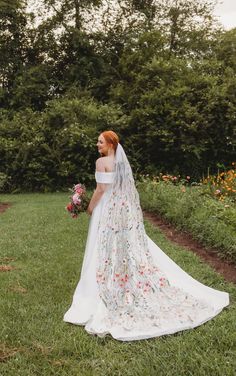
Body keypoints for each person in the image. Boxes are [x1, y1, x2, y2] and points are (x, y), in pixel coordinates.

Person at [63, 130, 229, 341]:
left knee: (103, 246)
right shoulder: (122, 163)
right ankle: (123, 276)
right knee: (120, 244)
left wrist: (89, 207)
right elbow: (124, 188)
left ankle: (98, 286)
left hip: (106, 209)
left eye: (100, 142)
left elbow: (101, 189)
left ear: (111, 144)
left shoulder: (101, 161)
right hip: (122, 210)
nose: (97, 145)